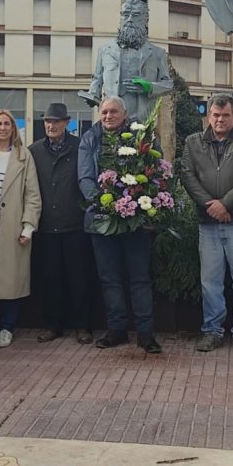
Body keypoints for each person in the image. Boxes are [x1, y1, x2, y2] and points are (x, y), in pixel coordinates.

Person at [78, 96, 162, 354]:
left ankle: (146, 334)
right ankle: (117, 330)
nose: (107, 116)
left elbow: (155, 171)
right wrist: (108, 206)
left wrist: (134, 203)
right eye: (104, 112)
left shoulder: (141, 136)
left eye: (113, 111)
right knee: (109, 279)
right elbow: (85, 178)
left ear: (125, 114)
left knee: (139, 279)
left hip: (134, 220)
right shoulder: (90, 138)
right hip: (102, 220)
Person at [180, 94, 233, 355]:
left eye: (225, 115)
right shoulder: (193, 142)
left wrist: (225, 204)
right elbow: (187, 175)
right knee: (210, 281)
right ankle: (212, 331)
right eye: (215, 115)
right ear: (208, 117)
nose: (220, 119)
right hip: (208, 223)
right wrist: (211, 206)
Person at [0, 109, 41, 348]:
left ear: (14, 128)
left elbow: (32, 195)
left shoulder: (24, 156)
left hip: (12, 227)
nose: (3, 128)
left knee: (12, 279)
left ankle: (7, 326)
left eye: (7, 124)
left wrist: (28, 226)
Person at [28, 103, 92, 344]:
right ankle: (53, 325)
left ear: (66, 123)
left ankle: (83, 326)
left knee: (79, 278)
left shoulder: (81, 147)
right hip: (46, 226)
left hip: (75, 223)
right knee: (50, 278)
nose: (50, 125)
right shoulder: (34, 151)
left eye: (55, 121)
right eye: (47, 121)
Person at [78, 0, 173, 121]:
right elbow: (97, 78)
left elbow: (168, 84)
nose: (129, 20)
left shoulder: (157, 53)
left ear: (145, 20)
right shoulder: (105, 51)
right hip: (111, 121)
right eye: (125, 15)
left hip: (142, 121)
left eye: (135, 15)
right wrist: (93, 94)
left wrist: (149, 87)